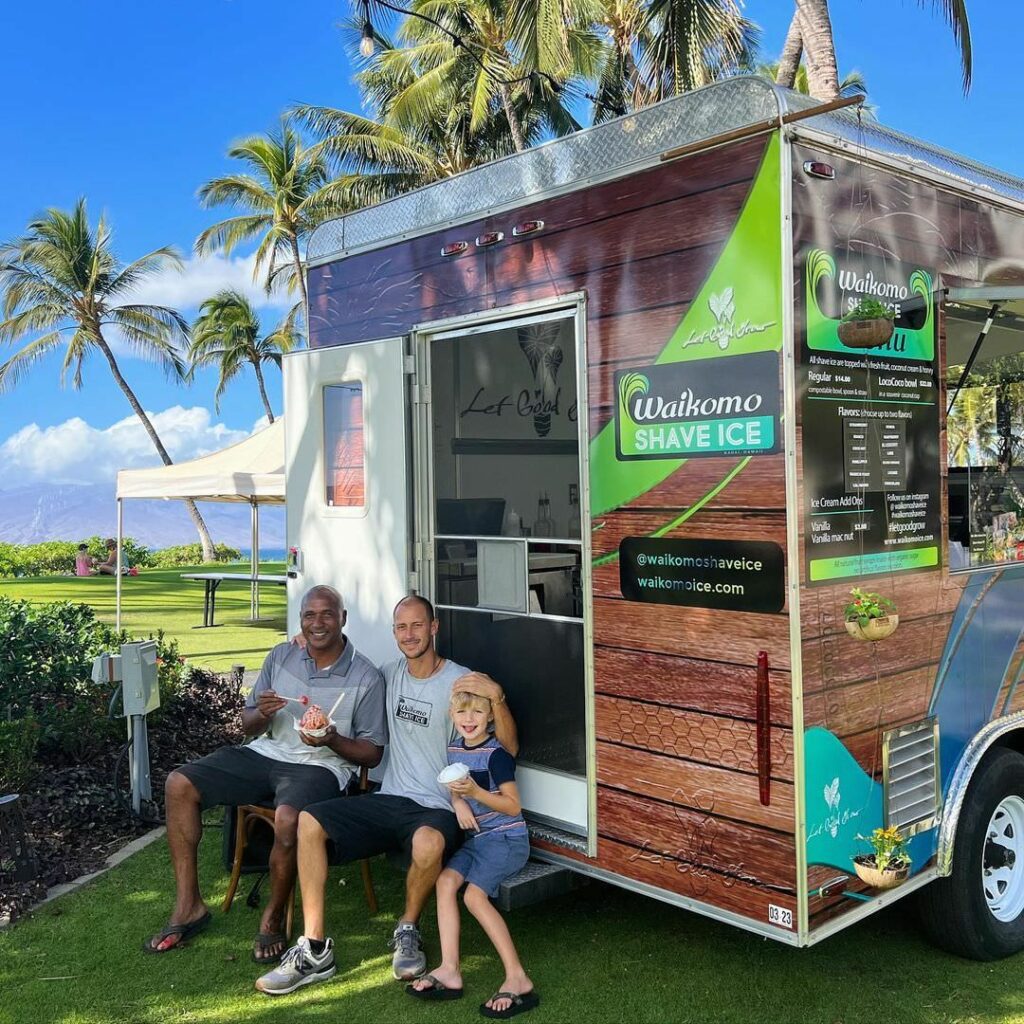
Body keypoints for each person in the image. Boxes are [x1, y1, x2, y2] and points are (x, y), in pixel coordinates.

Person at [255, 594, 517, 996]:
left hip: (436, 805)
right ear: (394, 633)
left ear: (433, 628)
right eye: (400, 627)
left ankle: (408, 926)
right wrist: (305, 643)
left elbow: (509, 750)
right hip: (390, 795)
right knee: (309, 820)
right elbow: (345, 669)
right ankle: (314, 947)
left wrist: (497, 698)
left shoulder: (462, 683)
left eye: (417, 626)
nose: (409, 635)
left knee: (428, 842)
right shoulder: (387, 674)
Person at [143, 585, 385, 964]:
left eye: (327, 614)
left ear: (343, 619)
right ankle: (189, 905)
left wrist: (332, 738)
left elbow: (371, 755)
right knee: (179, 783)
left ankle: (273, 914)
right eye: (309, 615)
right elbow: (247, 725)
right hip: (266, 753)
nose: (317, 623)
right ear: (300, 619)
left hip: (321, 765)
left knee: (289, 818)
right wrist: (264, 713)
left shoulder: (366, 676)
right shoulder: (282, 655)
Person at [408, 690, 537, 1018]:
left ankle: (517, 977)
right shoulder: (454, 749)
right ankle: (450, 969)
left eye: (477, 713)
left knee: (474, 898)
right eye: (462, 712)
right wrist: (459, 801)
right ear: (452, 714)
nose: (469, 720)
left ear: (490, 716)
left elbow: (512, 806)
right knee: (445, 883)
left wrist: (476, 792)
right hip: (479, 841)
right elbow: (454, 791)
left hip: (507, 839)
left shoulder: (497, 755)